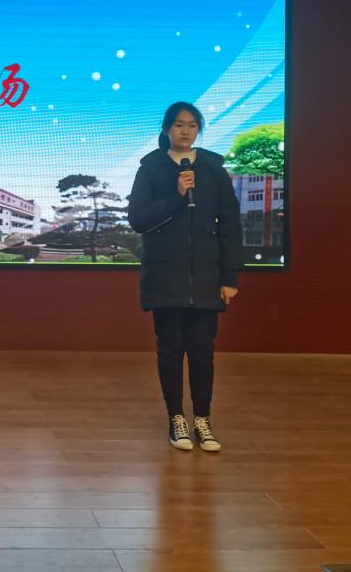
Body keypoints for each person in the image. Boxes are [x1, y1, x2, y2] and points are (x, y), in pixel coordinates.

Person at [127, 102, 243, 452]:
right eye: (178, 124)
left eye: (192, 125)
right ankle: (176, 418)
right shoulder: (151, 168)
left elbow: (231, 225)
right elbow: (138, 219)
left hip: (206, 277)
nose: (185, 131)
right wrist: (176, 196)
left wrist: (230, 276)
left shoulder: (213, 169)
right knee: (171, 350)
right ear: (166, 130)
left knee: (203, 353)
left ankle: (202, 420)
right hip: (165, 276)